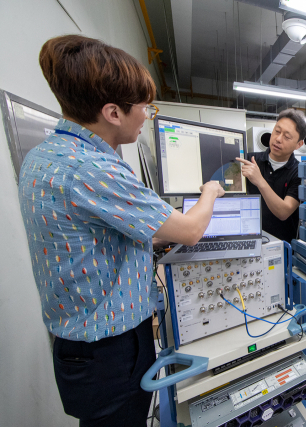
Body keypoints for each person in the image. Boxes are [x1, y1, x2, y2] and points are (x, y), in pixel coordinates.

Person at [19, 35, 225, 426]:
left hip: (83, 349)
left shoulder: (47, 154)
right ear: (113, 112)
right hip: (109, 354)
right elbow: (192, 230)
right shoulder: (94, 169)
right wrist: (210, 191)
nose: (147, 115)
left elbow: (103, 235)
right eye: (145, 108)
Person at [237, 109, 306, 243]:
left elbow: (284, 212)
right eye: (277, 131)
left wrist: (260, 181)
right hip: (250, 240)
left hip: (282, 246)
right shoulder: (250, 160)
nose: (278, 139)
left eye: (287, 137)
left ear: (299, 144)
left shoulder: (300, 173)